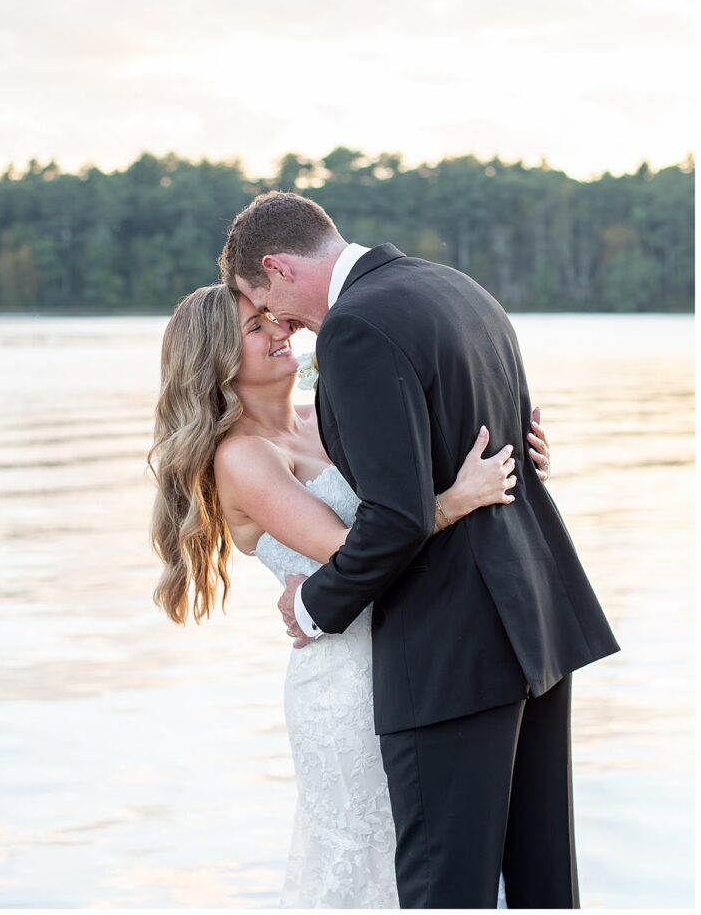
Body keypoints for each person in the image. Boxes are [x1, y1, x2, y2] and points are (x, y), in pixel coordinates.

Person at [220, 190, 621, 909]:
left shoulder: (355, 329)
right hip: (533, 625)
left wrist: (313, 607)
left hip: (449, 650)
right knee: (542, 885)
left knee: (445, 892)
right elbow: (474, 446)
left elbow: (396, 517)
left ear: (277, 269)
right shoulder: (458, 288)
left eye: (264, 304)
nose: (280, 326)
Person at [148, 281, 552, 908]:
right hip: (343, 684)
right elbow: (353, 548)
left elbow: (410, 482)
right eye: (256, 327)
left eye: (273, 316)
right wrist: (458, 500)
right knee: (372, 860)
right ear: (219, 361)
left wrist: (513, 461)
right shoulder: (242, 457)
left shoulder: (323, 413)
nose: (280, 329)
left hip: (418, 652)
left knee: (439, 857)